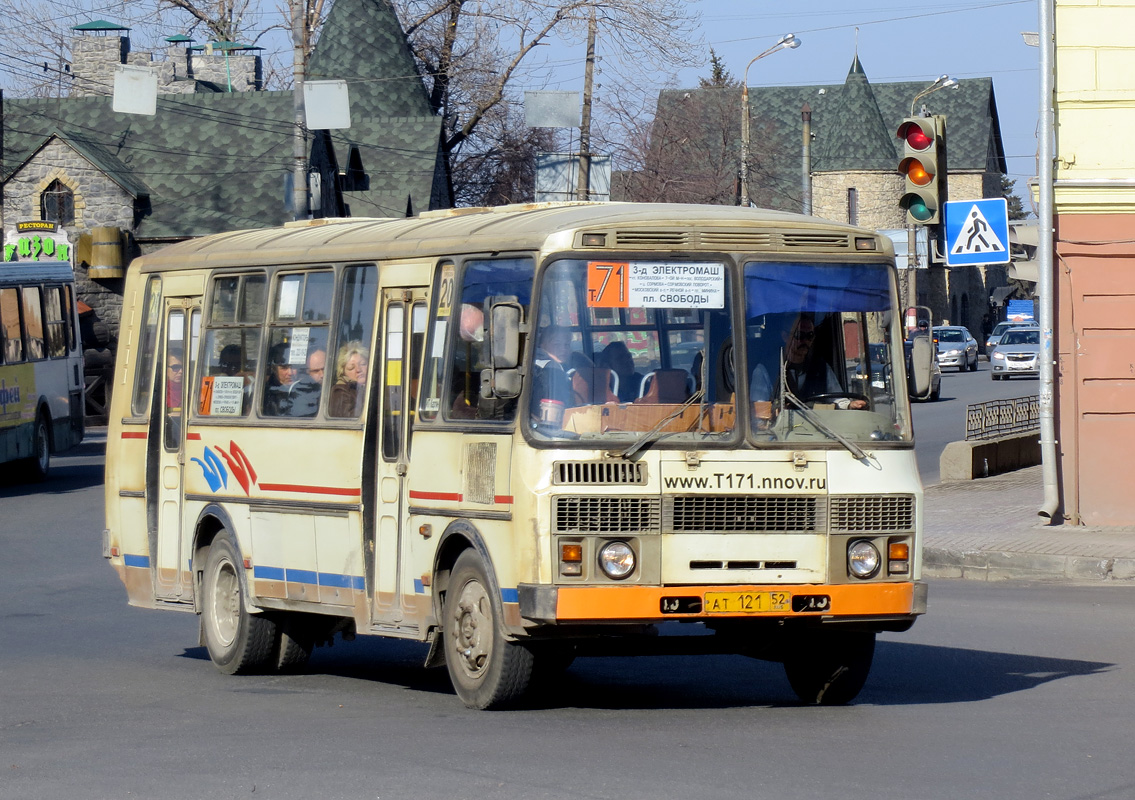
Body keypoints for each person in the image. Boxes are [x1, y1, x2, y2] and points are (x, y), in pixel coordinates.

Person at [750, 313, 866, 410]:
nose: (805, 341)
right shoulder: (765, 370)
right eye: (800, 335)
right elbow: (759, 410)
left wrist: (850, 405)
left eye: (809, 336)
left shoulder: (822, 368)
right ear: (785, 336)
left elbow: (838, 399)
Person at [530, 325, 574, 409]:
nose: (563, 349)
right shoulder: (549, 368)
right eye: (557, 344)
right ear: (542, 346)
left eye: (567, 345)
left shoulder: (565, 365)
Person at [329, 341, 369, 417]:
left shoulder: (377, 385)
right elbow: (353, 419)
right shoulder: (340, 392)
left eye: (363, 364)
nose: (358, 370)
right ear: (343, 372)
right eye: (351, 368)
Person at [263, 342, 298, 416]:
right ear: (274, 369)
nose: (290, 372)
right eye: (284, 367)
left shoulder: (307, 387)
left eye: (294, 366)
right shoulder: (263, 393)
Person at [289, 346, 325, 417]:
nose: (322, 375)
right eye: (316, 371)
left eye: (324, 369)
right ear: (308, 372)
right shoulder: (300, 389)